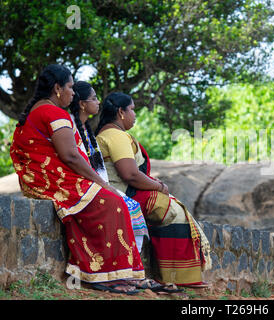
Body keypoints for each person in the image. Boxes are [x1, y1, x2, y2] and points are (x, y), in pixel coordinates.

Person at [10, 64, 144, 295]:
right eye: (70, 87)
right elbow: (71, 156)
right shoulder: (52, 112)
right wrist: (101, 183)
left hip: (44, 177)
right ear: (57, 88)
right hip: (50, 179)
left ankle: (114, 273)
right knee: (111, 203)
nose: (73, 93)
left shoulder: (45, 110)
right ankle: (100, 274)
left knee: (115, 201)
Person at [95, 92, 212, 288]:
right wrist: (159, 187)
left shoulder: (111, 134)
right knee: (173, 211)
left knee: (173, 207)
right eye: (132, 109)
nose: (134, 114)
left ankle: (173, 276)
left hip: (125, 191)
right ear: (121, 112)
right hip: (122, 193)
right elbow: (130, 174)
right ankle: (176, 278)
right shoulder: (115, 135)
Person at [68, 81, 149, 254]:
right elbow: (73, 160)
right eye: (94, 99)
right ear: (82, 104)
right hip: (84, 185)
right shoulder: (70, 126)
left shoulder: (87, 130)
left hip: (97, 184)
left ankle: (132, 268)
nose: (98, 102)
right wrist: (103, 186)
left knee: (132, 209)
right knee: (128, 207)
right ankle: (125, 268)